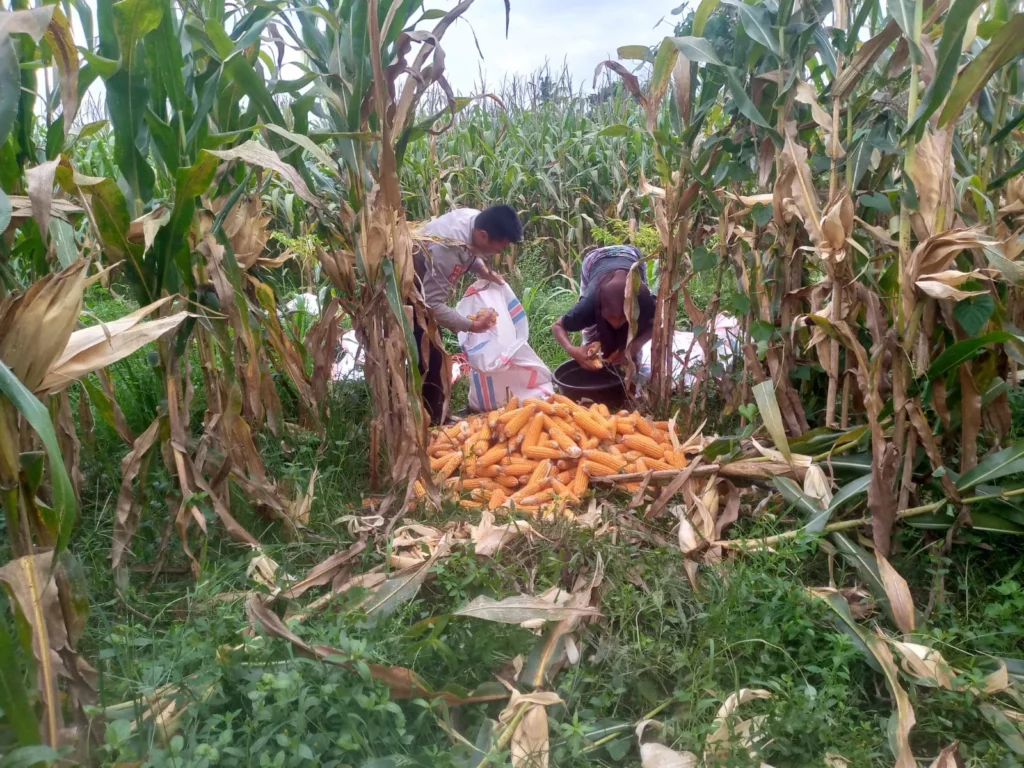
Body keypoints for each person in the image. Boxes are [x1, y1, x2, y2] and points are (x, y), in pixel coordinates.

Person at [413, 205, 524, 425]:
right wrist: (471, 326)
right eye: (498, 247)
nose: (499, 252)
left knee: (433, 352)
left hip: (425, 287)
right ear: (484, 235)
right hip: (406, 290)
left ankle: (435, 413)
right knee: (429, 355)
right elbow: (431, 304)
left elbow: (471, 253)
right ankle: (432, 420)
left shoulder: (474, 219)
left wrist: (483, 271)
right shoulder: (446, 251)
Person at [552, 244, 655, 371]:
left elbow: (656, 324)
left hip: (632, 257)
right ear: (601, 309)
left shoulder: (642, 298)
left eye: (623, 316)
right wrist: (572, 350)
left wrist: (635, 346)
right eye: (611, 316)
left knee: (633, 350)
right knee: (590, 338)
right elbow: (557, 326)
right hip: (594, 260)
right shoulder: (588, 304)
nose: (617, 323)